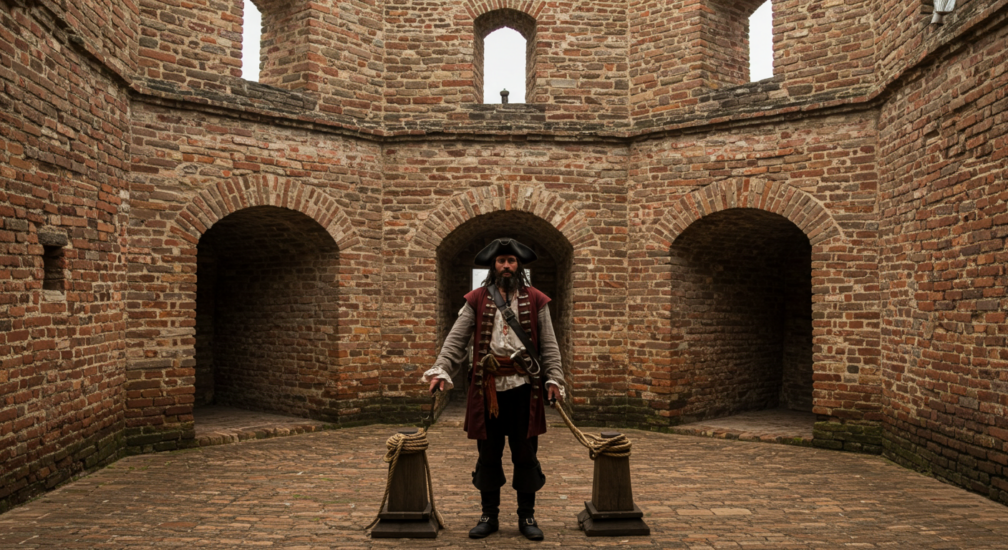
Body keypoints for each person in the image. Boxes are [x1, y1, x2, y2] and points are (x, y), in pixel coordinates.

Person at [422, 238, 565, 541]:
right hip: (487, 391)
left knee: (525, 454)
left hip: (525, 388)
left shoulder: (537, 299)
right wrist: (442, 368)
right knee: (489, 453)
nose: (506, 266)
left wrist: (554, 378)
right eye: (501, 261)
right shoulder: (475, 299)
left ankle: (527, 516)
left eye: (511, 261)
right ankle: (489, 515)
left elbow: (549, 345)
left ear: (519, 266)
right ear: (493, 266)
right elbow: (456, 338)